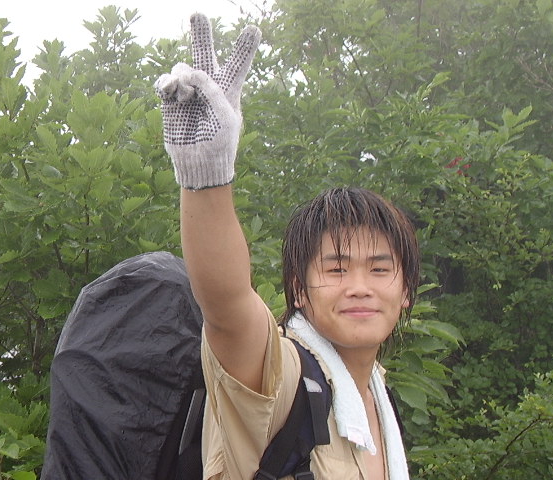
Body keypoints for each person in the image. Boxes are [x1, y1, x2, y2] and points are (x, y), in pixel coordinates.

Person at [155, 12, 420, 480]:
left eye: (379, 269)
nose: (360, 286)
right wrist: (205, 175)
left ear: (406, 292)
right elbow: (227, 305)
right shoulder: (280, 379)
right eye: (336, 268)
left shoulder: (378, 396)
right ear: (298, 289)